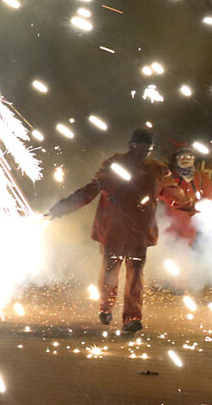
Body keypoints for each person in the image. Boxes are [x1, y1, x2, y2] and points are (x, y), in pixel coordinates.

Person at [46, 128, 187, 333]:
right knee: (111, 273)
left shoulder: (156, 169)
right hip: (114, 231)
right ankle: (106, 307)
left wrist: (191, 207)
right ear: (132, 145)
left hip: (139, 233)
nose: (145, 151)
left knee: (135, 276)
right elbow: (91, 190)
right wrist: (63, 207)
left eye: (149, 147)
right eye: (142, 146)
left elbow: (173, 193)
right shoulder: (115, 165)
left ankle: (132, 318)